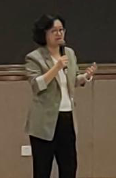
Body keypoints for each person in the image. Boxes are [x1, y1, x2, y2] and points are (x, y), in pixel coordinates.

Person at [25, 15, 97, 179]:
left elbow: (72, 80)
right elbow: (37, 85)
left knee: (69, 167)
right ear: (44, 33)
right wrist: (56, 67)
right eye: (54, 31)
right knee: (42, 170)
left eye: (61, 30)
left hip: (67, 117)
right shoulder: (34, 57)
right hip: (44, 122)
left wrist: (85, 76)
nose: (59, 34)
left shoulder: (69, 53)